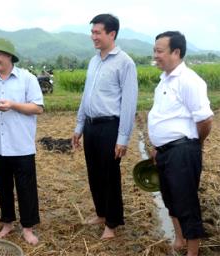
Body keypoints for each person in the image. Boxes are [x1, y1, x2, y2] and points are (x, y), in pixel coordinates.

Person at [71, 14, 138, 239]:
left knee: (110, 175)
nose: (93, 37)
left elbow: (129, 103)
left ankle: (112, 222)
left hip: (110, 126)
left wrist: (123, 138)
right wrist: (79, 126)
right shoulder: (94, 61)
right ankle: (101, 213)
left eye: (98, 32)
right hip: (91, 126)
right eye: (92, 32)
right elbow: (86, 96)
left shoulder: (125, 62)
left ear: (112, 34)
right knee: (94, 173)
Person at [0, 38, 44, 245]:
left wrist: (12, 105)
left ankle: (28, 227)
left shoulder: (26, 79)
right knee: (3, 187)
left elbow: (38, 107)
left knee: (26, 188)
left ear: (10, 56)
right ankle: (7, 223)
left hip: (21, 144)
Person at [148, 31, 213, 256]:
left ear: (176, 52)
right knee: (169, 198)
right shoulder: (164, 79)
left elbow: (205, 119)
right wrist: (159, 147)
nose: (155, 55)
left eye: (159, 51)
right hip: (166, 152)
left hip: (182, 151)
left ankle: (192, 252)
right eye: (154, 50)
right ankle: (179, 239)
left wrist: (194, 145)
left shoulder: (189, 80)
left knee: (186, 202)